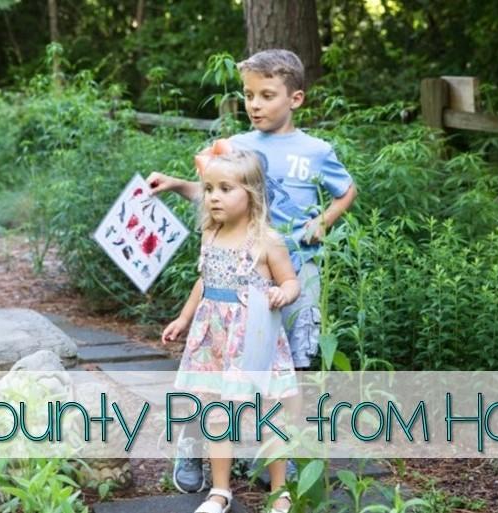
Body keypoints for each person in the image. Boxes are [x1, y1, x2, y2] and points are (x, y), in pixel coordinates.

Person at [149, 48, 357, 493]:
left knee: (284, 372)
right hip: (235, 279)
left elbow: (347, 190)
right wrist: (176, 184)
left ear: (295, 99)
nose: (255, 104)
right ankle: (194, 443)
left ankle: (280, 454)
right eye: (249, 95)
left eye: (267, 95)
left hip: (294, 274)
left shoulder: (316, 151)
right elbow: (215, 190)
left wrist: (322, 221)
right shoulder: (236, 146)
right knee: (211, 372)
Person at [162, 149, 298, 513]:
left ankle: (280, 490)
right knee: (216, 413)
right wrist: (183, 317)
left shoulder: (267, 241)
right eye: (208, 189)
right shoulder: (211, 233)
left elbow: (290, 281)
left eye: (225, 188)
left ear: (251, 194)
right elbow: (203, 282)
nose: (213, 197)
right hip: (214, 339)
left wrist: (282, 292)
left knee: (270, 412)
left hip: (253, 336)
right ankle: (220, 491)